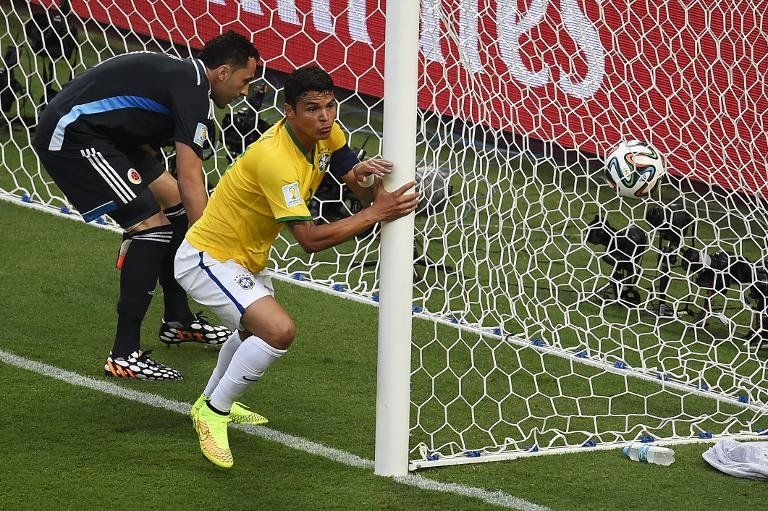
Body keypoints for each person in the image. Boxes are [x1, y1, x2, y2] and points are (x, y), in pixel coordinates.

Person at [174, 65, 420, 468]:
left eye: (330, 106)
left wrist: (363, 176)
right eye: (312, 109)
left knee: (252, 329)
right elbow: (309, 241)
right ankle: (213, 413)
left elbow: (349, 177)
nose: (324, 117)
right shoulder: (275, 160)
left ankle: (208, 401)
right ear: (288, 111)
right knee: (278, 331)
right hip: (208, 257)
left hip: (246, 257)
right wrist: (377, 212)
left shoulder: (326, 134)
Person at [32, 31, 261, 380]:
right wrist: (209, 245)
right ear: (224, 72)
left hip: (110, 136)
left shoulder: (188, 79)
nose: (246, 91)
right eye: (245, 80)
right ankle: (124, 354)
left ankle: (177, 320)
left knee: (176, 208)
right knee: (152, 228)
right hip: (74, 136)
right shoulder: (193, 89)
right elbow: (189, 176)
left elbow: (151, 144)